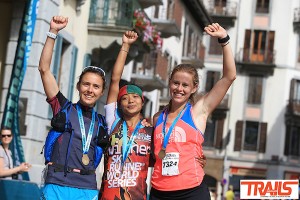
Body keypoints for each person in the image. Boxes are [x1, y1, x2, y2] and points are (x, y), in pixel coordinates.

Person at [150, 23, 236, 200]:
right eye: (175, 83)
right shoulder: (157, 117)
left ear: (194, 88)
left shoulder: (199, 111)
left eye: (185, 85)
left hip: (191, 191)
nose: (179, 89)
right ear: (169, 83)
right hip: (159, 191)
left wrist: (224, 40)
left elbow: (229, 76)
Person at [39, 16, 107, 199]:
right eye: (86, 84)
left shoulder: (102, 122)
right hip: (56, 184)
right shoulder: (63, 108)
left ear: (102, 92)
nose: (89, 90)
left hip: (87, 188)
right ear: (78, 86)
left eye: (96, 86)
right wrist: (53, 32)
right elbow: (44, 69)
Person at [98, 30, 153, 200]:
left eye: (135, 97)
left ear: (142, 102)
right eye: (124, 98)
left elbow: (162, 156)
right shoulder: (113, 121)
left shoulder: (151, 130)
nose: (130, 101)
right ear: (118, 104)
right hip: (109, 195)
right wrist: (125, 46)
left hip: (137, 196)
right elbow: (115, 79)